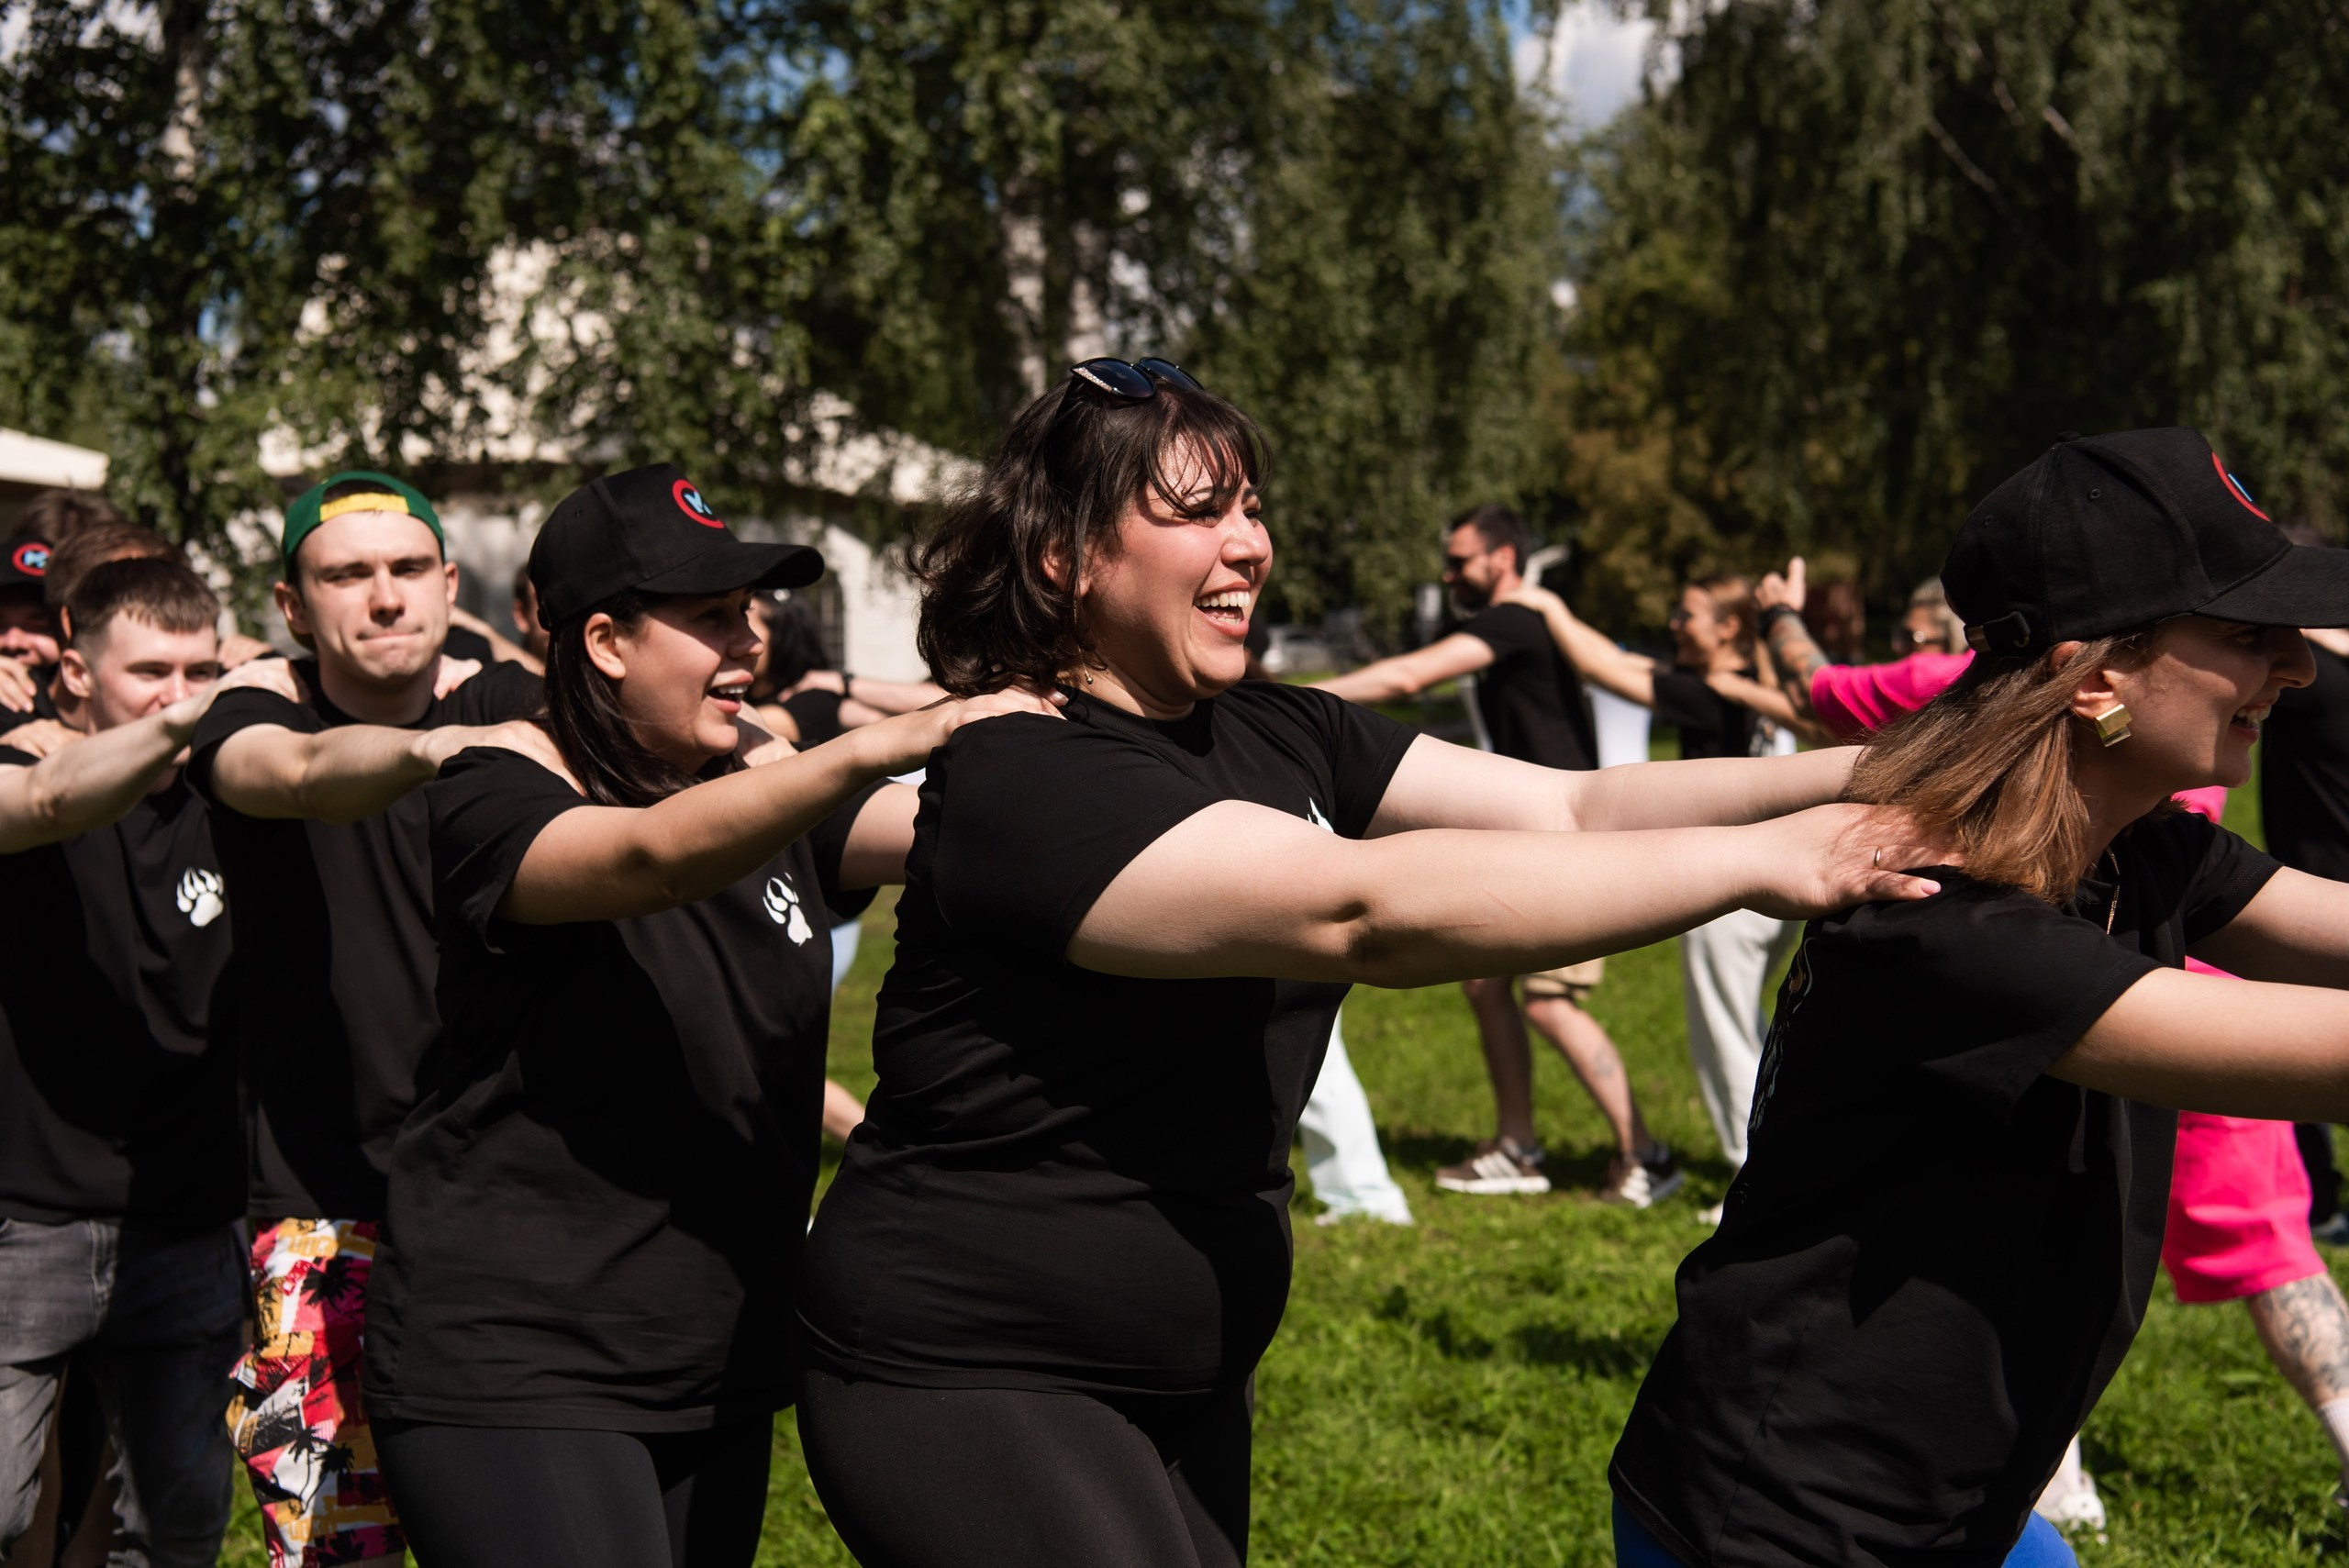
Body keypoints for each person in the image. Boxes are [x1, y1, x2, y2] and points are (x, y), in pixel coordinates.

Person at [791, 356, 1951, 1568]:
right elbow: (1360, 911)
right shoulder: (1026, 771)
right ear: (1062, 556)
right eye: (1198, 514)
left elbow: (1580, 808)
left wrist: (1888, 774)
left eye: (1251, 506)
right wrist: (1777, 862)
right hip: (971, 1360)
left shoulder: (1281, 727)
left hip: (1184, 1366)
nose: (1248, 545)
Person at [1609, 427, 2349, 1568]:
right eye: (2251, 636)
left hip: (1964, 1507)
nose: (2296, 668)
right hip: (1790, 1522)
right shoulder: (1948, 919)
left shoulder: (2140, 848)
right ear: (2091, 671)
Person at [359, 464, 1046, 1568]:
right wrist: (873, 740)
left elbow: (951, 837)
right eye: (711, 615)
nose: (748, 641)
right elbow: (651, 856)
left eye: (750, 610)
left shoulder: (763, 775)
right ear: (605, 641)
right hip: (518, 1361)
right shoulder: (501, 780)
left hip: (716, 1351)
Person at [181, 471, 548, 1568]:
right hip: (319, 1205)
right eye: (347, 574)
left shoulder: (514, 704)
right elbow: (290, 774)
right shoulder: (257, 708)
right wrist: (436, 754)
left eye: (404, 570)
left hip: (511, 1199)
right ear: (294, 605)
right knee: (341, 1544)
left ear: (447, 583)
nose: (382, 597)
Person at [0, 557, 257, 1568]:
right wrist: (204, 711)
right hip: (22, 1215)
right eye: (150, 670)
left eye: (200, 670)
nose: (176, 696)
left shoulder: (236, 788)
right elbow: (53, 800)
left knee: (177, 1526)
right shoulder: (21, 765)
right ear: (74, 670)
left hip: (187, 1223)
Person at [1314, 505, 1674, 1205]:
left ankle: (1647, 1154)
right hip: (1530, 833)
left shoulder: (1512, 621)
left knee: (1550, 1002)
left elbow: (1406, 678)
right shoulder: (1516, 621)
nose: (1449, 573)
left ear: (1504, 558)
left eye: (1461, 559)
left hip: (1571, 839)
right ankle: (1518, 1146)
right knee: (1485, 985)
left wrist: (1287, 703)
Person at [1498, 573, 1805, 1212]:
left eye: (1685, 612)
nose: (1673, 622)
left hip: (1735, 886)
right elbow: (1624, 660)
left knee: (1723, 1035)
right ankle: (1779, 1164)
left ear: (1726, 627)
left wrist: (1550, 603)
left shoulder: (1709, 692)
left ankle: (1756, 1186)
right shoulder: (1752, 681)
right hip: (1776, 875)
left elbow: (1605, 668)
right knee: (1748, 1028)